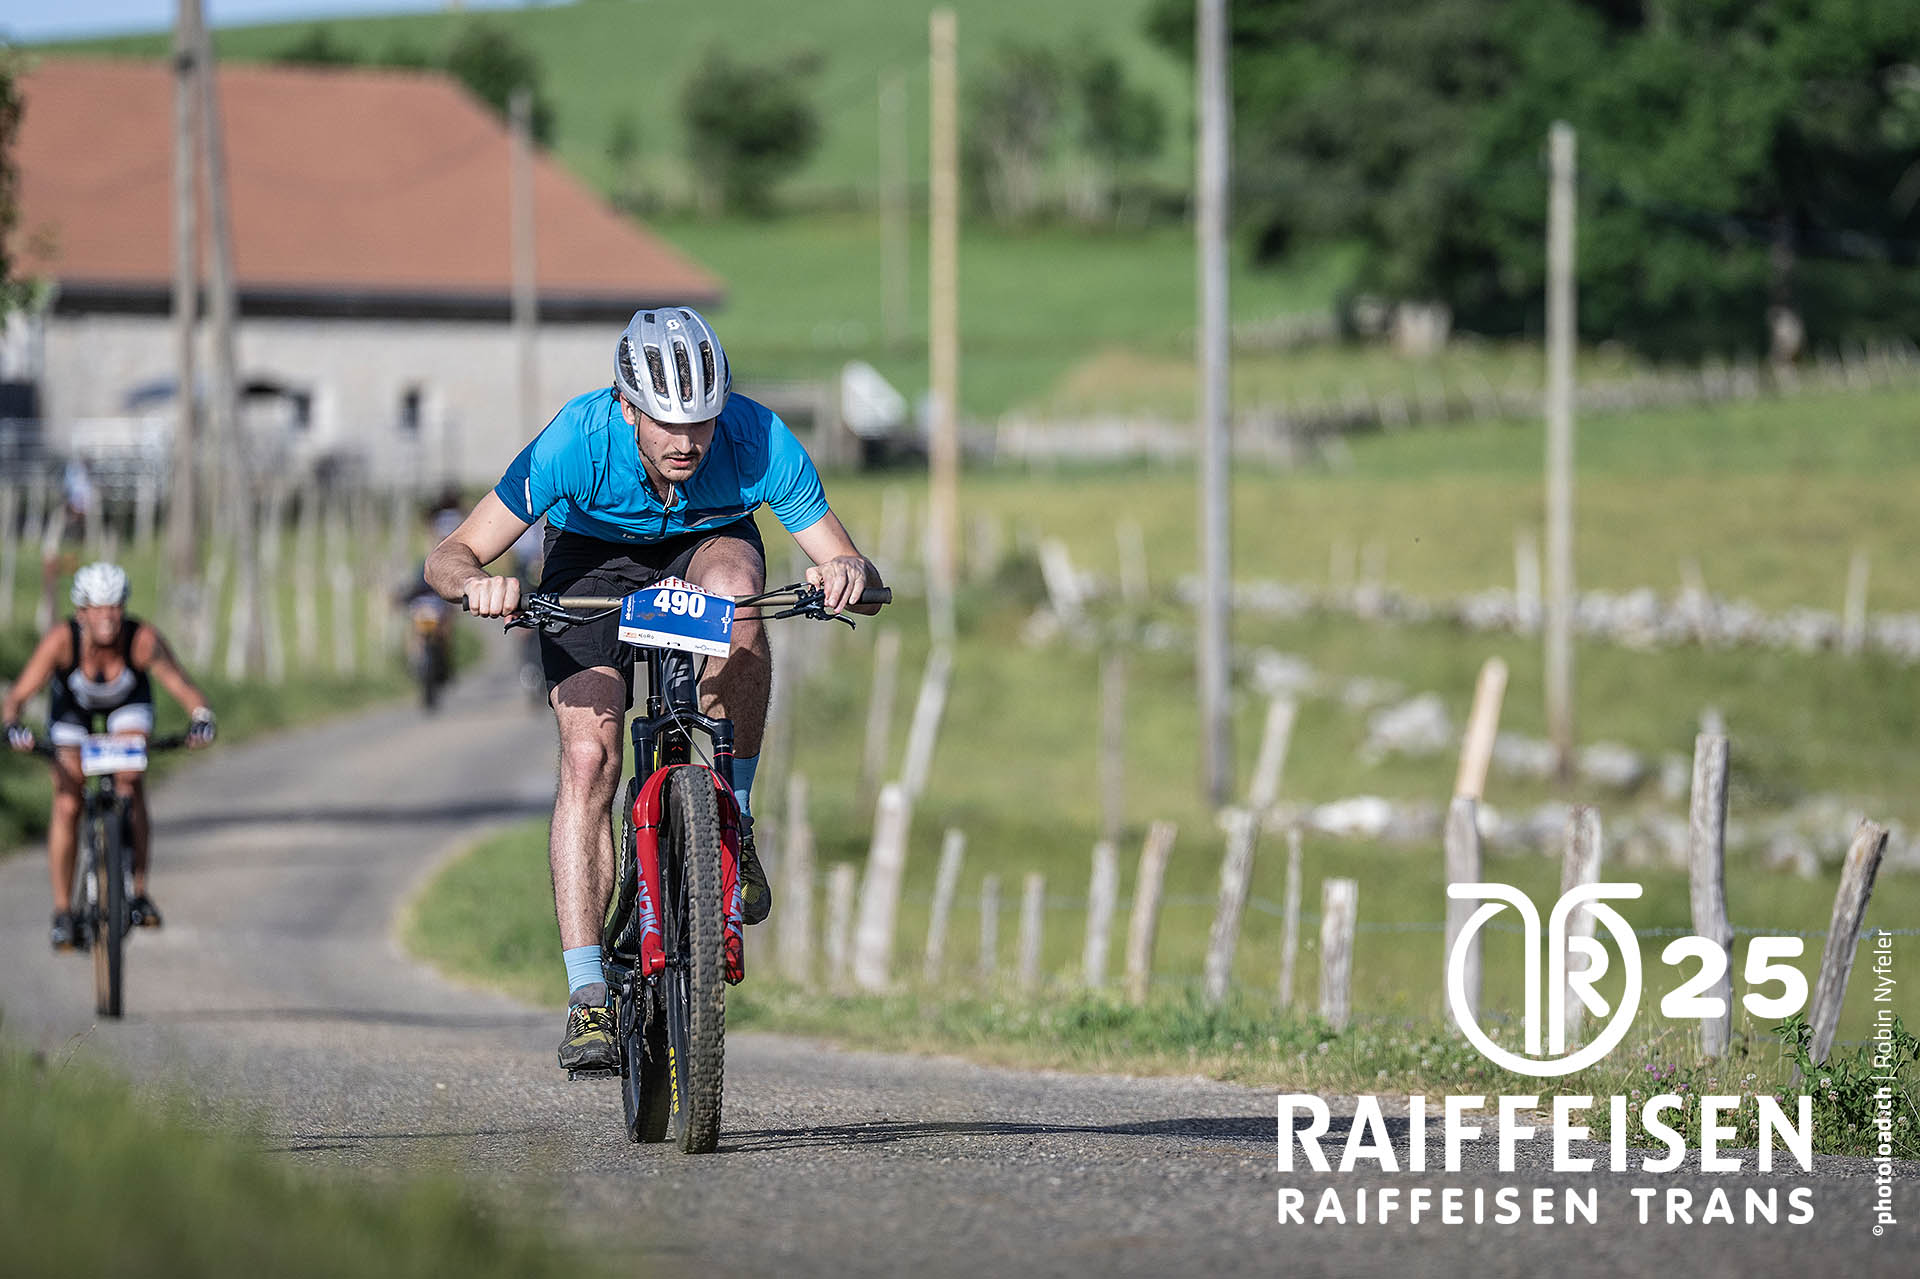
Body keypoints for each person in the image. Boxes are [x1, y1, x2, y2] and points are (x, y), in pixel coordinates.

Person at [424, 306, 884, 1072]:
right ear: (627, 406)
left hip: (707, 546)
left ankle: (732, 818)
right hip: (590, 562)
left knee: (740, 601)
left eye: (701, 420)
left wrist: (846, 574)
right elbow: (451, 552)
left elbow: (856, 571)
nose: (686, 441)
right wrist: (478, 582)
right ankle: (587, 994)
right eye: (666, 421)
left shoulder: (759, 438)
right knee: (589, 756)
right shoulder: (576, 440)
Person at [3, 562, 217, 948]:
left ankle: (138, 892)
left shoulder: (142, 640)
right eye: (98, 607)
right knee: (68, 801)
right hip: (71, 712)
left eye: (115, 606)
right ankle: (63, 911)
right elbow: (18, 695)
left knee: (130, 783)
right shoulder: (61, 640)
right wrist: (12, 724)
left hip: (128, 706)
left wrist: (201, 717)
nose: (108, 616)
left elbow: (182, 685)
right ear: (81, 611)